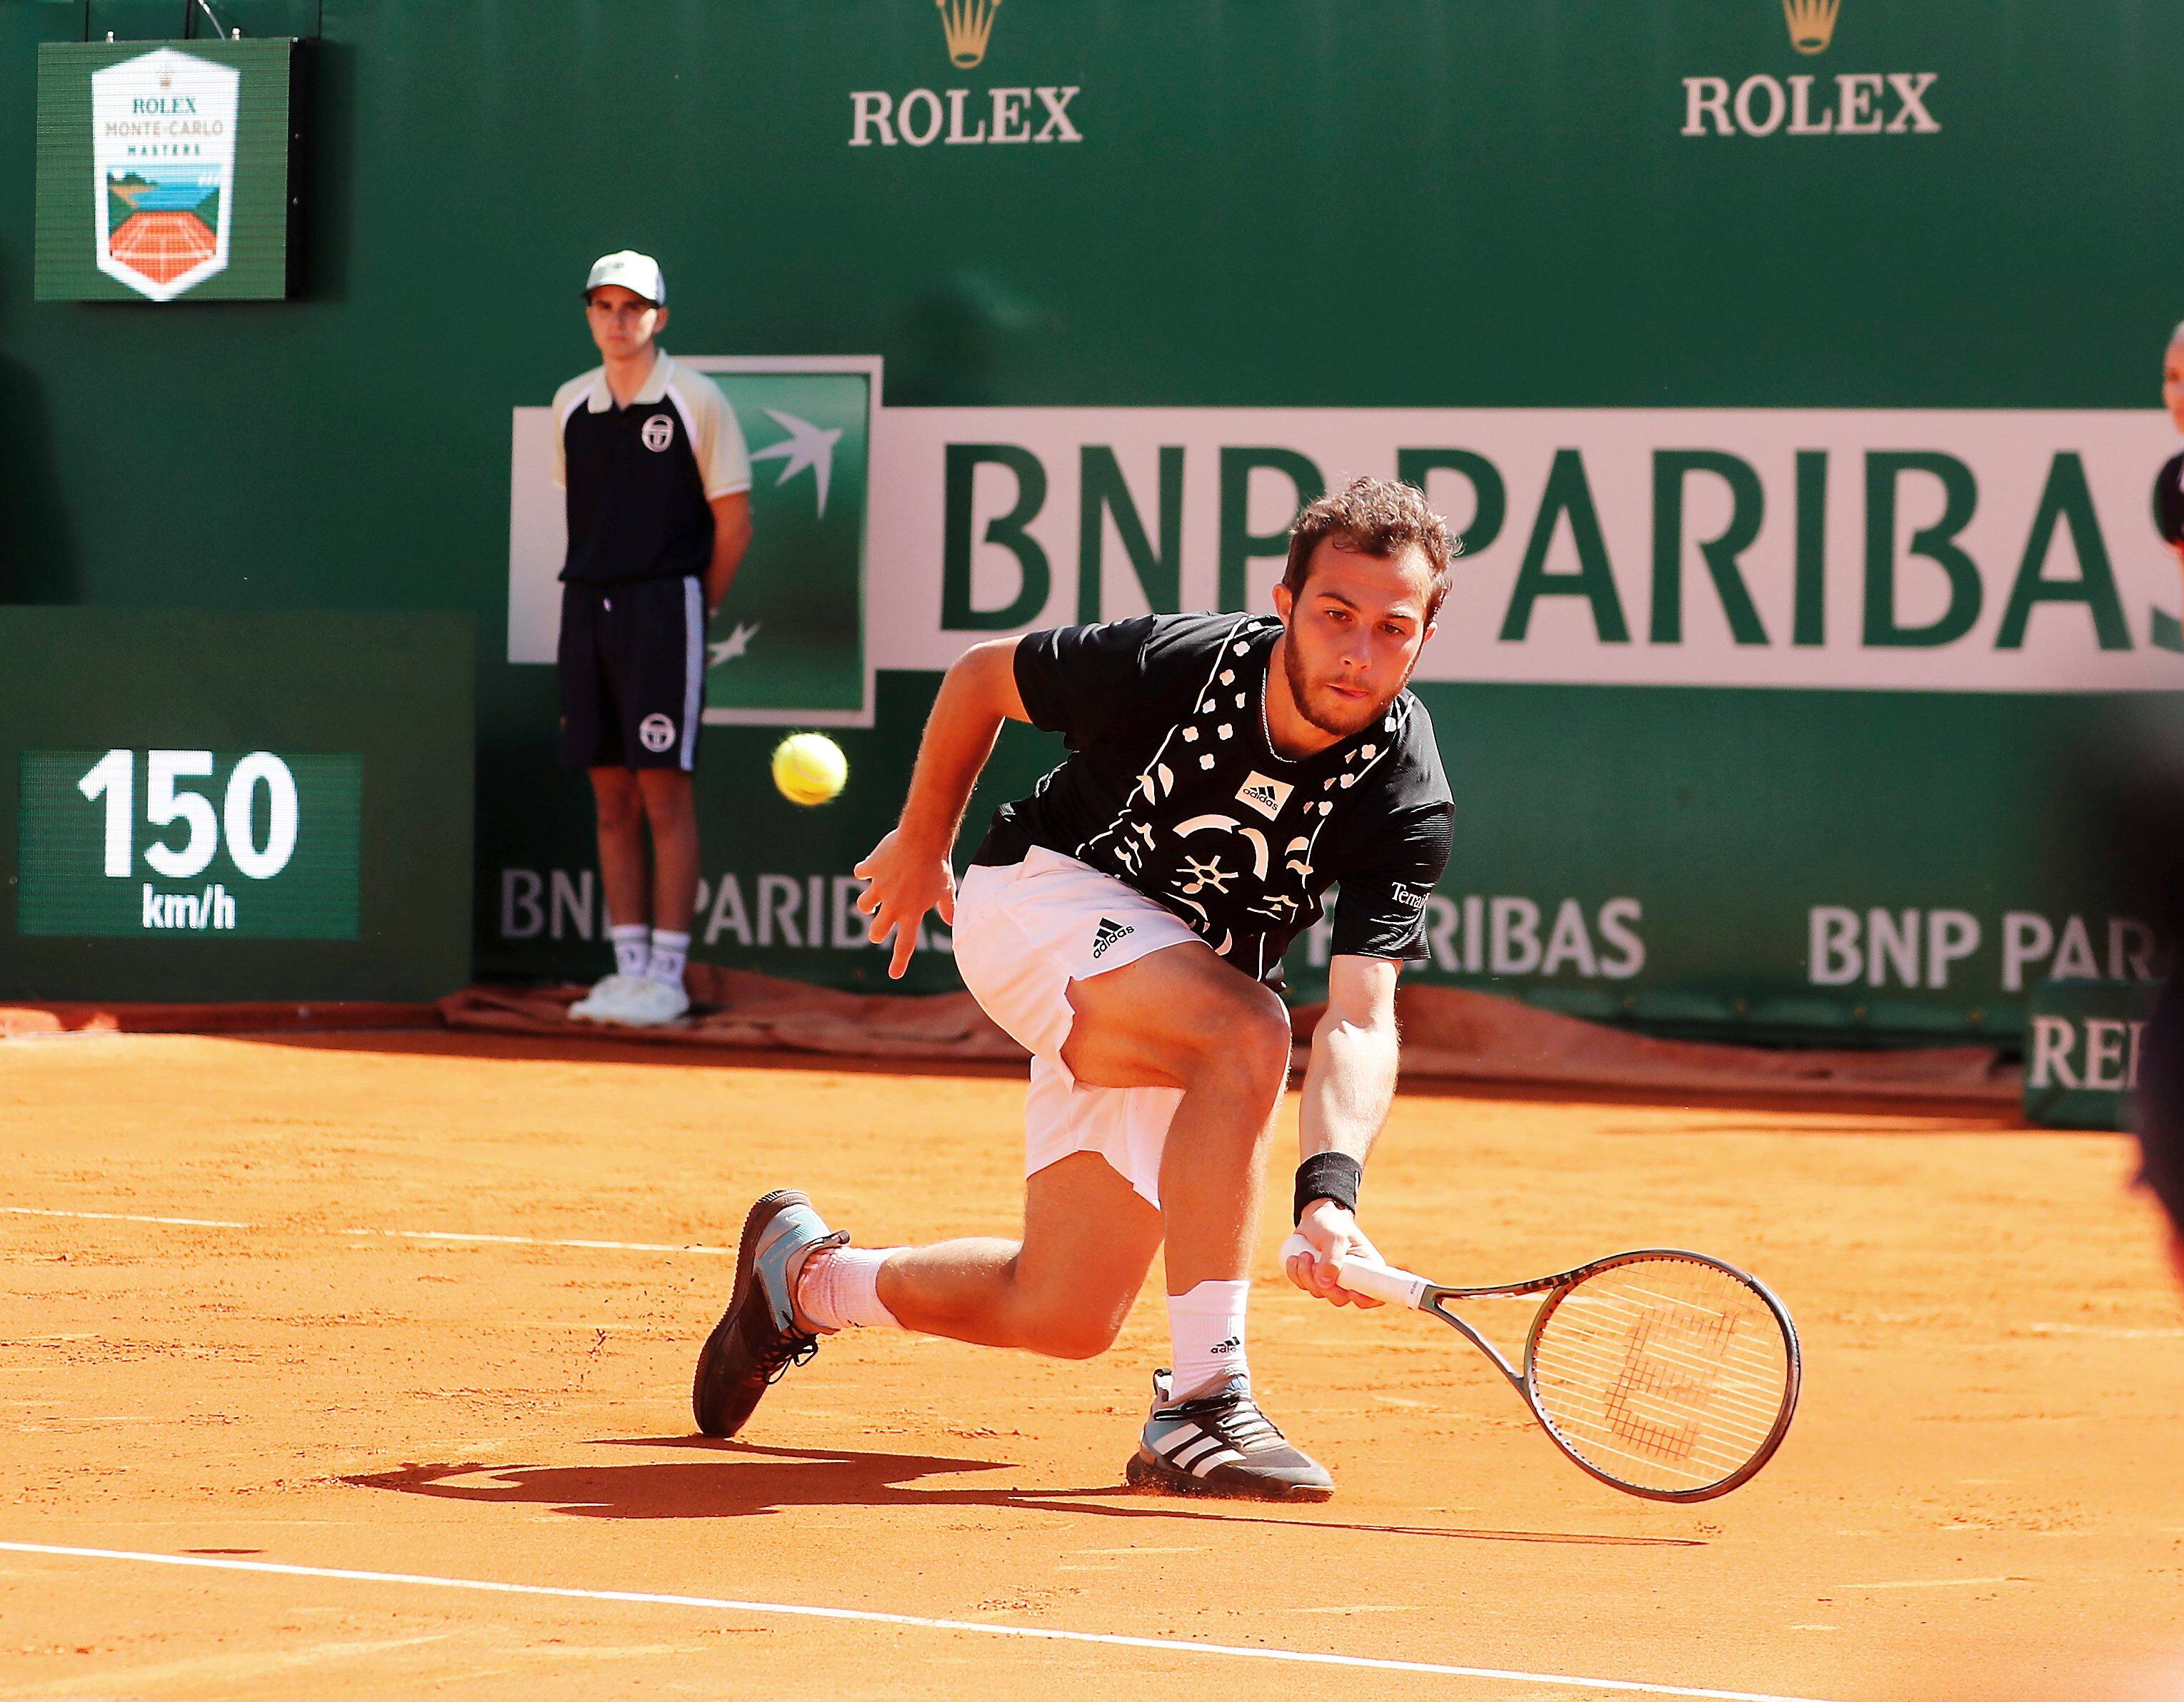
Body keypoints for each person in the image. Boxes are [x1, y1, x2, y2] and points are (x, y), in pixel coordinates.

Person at [692, 476, 1457, 1501]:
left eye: (1391, 628)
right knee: (1249, 1031)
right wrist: (923, 843)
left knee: (1060, 1310)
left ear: (1423, 637)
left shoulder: (1404, 790)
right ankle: (1204, 1401)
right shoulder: (1172, 663)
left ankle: (802, 1280)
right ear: (1284, 605)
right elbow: (977, 678)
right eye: (1334, 615)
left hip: (1172, 992)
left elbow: (1362, 1013)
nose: (1358, 650)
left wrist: (1329, 1198)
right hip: (1040, 901)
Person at [552, 251, 752, 1026]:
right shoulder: (570, 404)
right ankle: (628, 969)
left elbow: (733, 524)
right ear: (590, 314)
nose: (617, 320)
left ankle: (667, 974)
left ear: (659, 318)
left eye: (633, 307)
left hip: (667, 608)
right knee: (609, 795)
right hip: (585, 608)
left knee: (663, 791)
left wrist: (690, 608)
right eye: (603, 306)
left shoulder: (698, 400)